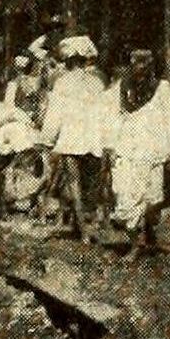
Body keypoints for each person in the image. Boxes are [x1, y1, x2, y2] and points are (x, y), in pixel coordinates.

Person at [102, 49, 170, 258]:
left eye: (144, 63)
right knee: (126, 196)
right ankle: (135, 244)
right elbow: (113, 118)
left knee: (151, 199)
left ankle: (148, 236)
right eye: (135, 63)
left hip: (152, 149)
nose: (139, 68)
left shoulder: (161, 88)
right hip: (127, 149)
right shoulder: (122, 88)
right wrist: (110, 146)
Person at [40, 35, 107, 241]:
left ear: (69, 60)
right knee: (89, 183)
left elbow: (54, 115)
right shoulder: (97, 82)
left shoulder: (62, 83)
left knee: (74, 183)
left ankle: (83, 230)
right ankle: (86, 226)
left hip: (71, 138)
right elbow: (104, 112)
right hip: (92, 137)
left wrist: (47, 140)